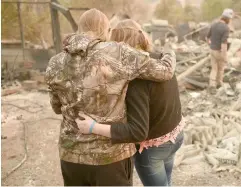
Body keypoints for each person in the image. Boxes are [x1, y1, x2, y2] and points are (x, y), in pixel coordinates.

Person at [45, 9, 176, 186]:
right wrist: (169, 55)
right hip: (111, 158)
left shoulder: (55, 62)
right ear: (106, 30)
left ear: (79, 29)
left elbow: (55, 106)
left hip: (71, 155)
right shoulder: (118, 53)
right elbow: (165, 71)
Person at [75, 19, 184, 186]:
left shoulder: (135, 79)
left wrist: (92, 127)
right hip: (176, 136)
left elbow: (137, 131)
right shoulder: (160, 60)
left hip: (153, 148)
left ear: (117, 45)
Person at [207, 8, 233, 92]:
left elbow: (207, 37)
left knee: (214, 69)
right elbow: (224, 44)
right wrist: (224, 56)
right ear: (228, 19)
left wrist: (210, 45)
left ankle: (211, 85)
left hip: (212, 50)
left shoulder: (214, 24)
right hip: (219, 51)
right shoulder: (226, 28)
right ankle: (219, 84)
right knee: (221, 69)